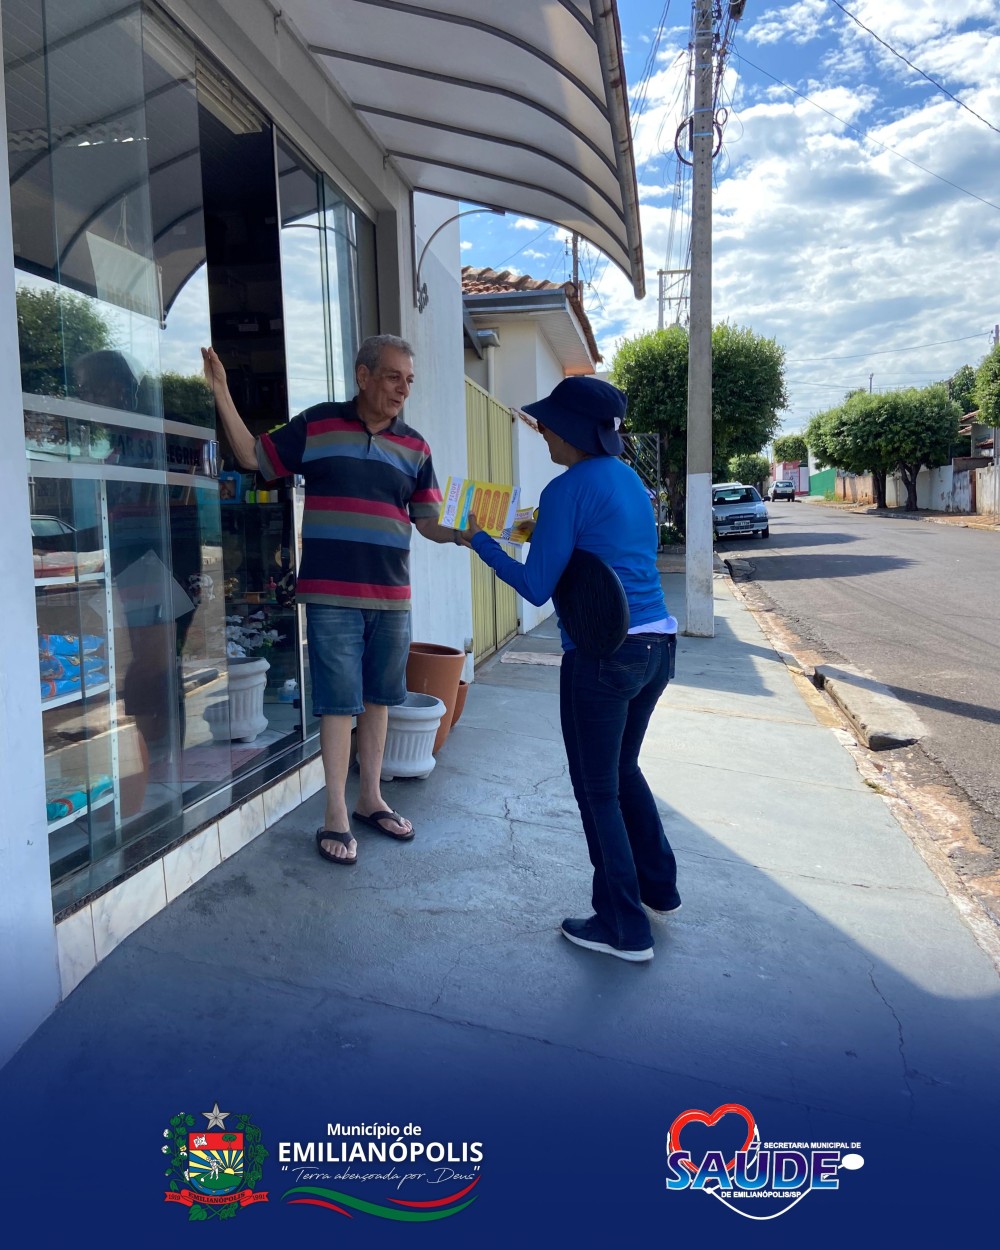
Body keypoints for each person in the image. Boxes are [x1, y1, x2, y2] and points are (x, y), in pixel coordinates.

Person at [201, 335, 462, 866]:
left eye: (409, 381)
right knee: (339, 703)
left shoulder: (416, 447)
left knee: (379, 698)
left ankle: (371, 799)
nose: (403, 390)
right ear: (363, 376)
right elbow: (252, 455)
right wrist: (221, 391)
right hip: (332, 595)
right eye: (393, 377)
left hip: (391, 596)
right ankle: (336, 814)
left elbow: (429, 521)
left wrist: (466, 533)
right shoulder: (318, 425)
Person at [460, 376, 680, 963]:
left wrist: (480, 540)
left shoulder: (566, 488)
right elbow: (603, 547)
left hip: (604, 656)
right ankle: (659, 887)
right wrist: (538, 528)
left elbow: (536, 586)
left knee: (596, 790)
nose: (542, 431)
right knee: (623, 771)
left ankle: (624, 928)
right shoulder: (628, 480)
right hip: (657, 647)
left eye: (549, 423)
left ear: (574, 430)